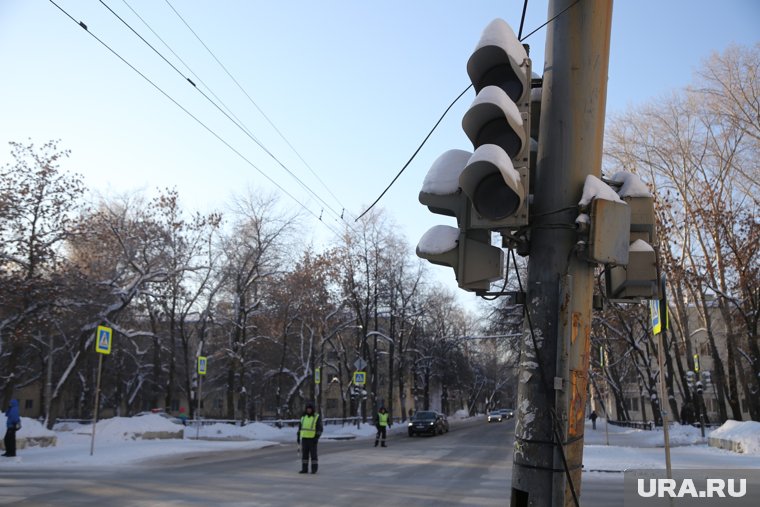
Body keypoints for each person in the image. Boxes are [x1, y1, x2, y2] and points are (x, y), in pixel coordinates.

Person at [297, 403, 322, 474]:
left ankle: (314, 469)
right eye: (307, 408)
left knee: (313, 455)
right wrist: (298, 436)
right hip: (304, 438)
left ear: (312, 409)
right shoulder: (303, 417)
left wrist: (316, 437)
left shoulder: (316, 417)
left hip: (312, 439)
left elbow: (319, 428)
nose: (308, 410)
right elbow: (300, 428)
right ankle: (304, 469)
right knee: (304, 455)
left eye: (310, 409)